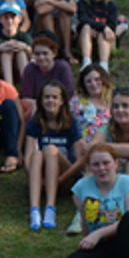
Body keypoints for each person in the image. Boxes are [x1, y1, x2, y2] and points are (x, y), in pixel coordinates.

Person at [24, 80, 84, 231]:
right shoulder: (34, 122)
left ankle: (50, 208)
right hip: (44, 177)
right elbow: (27, 157)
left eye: (54, 97)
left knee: (51, 150)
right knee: (37, 154)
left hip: (66, 176)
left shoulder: (72, 123)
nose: (50, 100)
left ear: (62, 101)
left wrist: (61, 179)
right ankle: (35, 210)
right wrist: (36, 178)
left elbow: (80, 161)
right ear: (41, 100)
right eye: (47, 97)